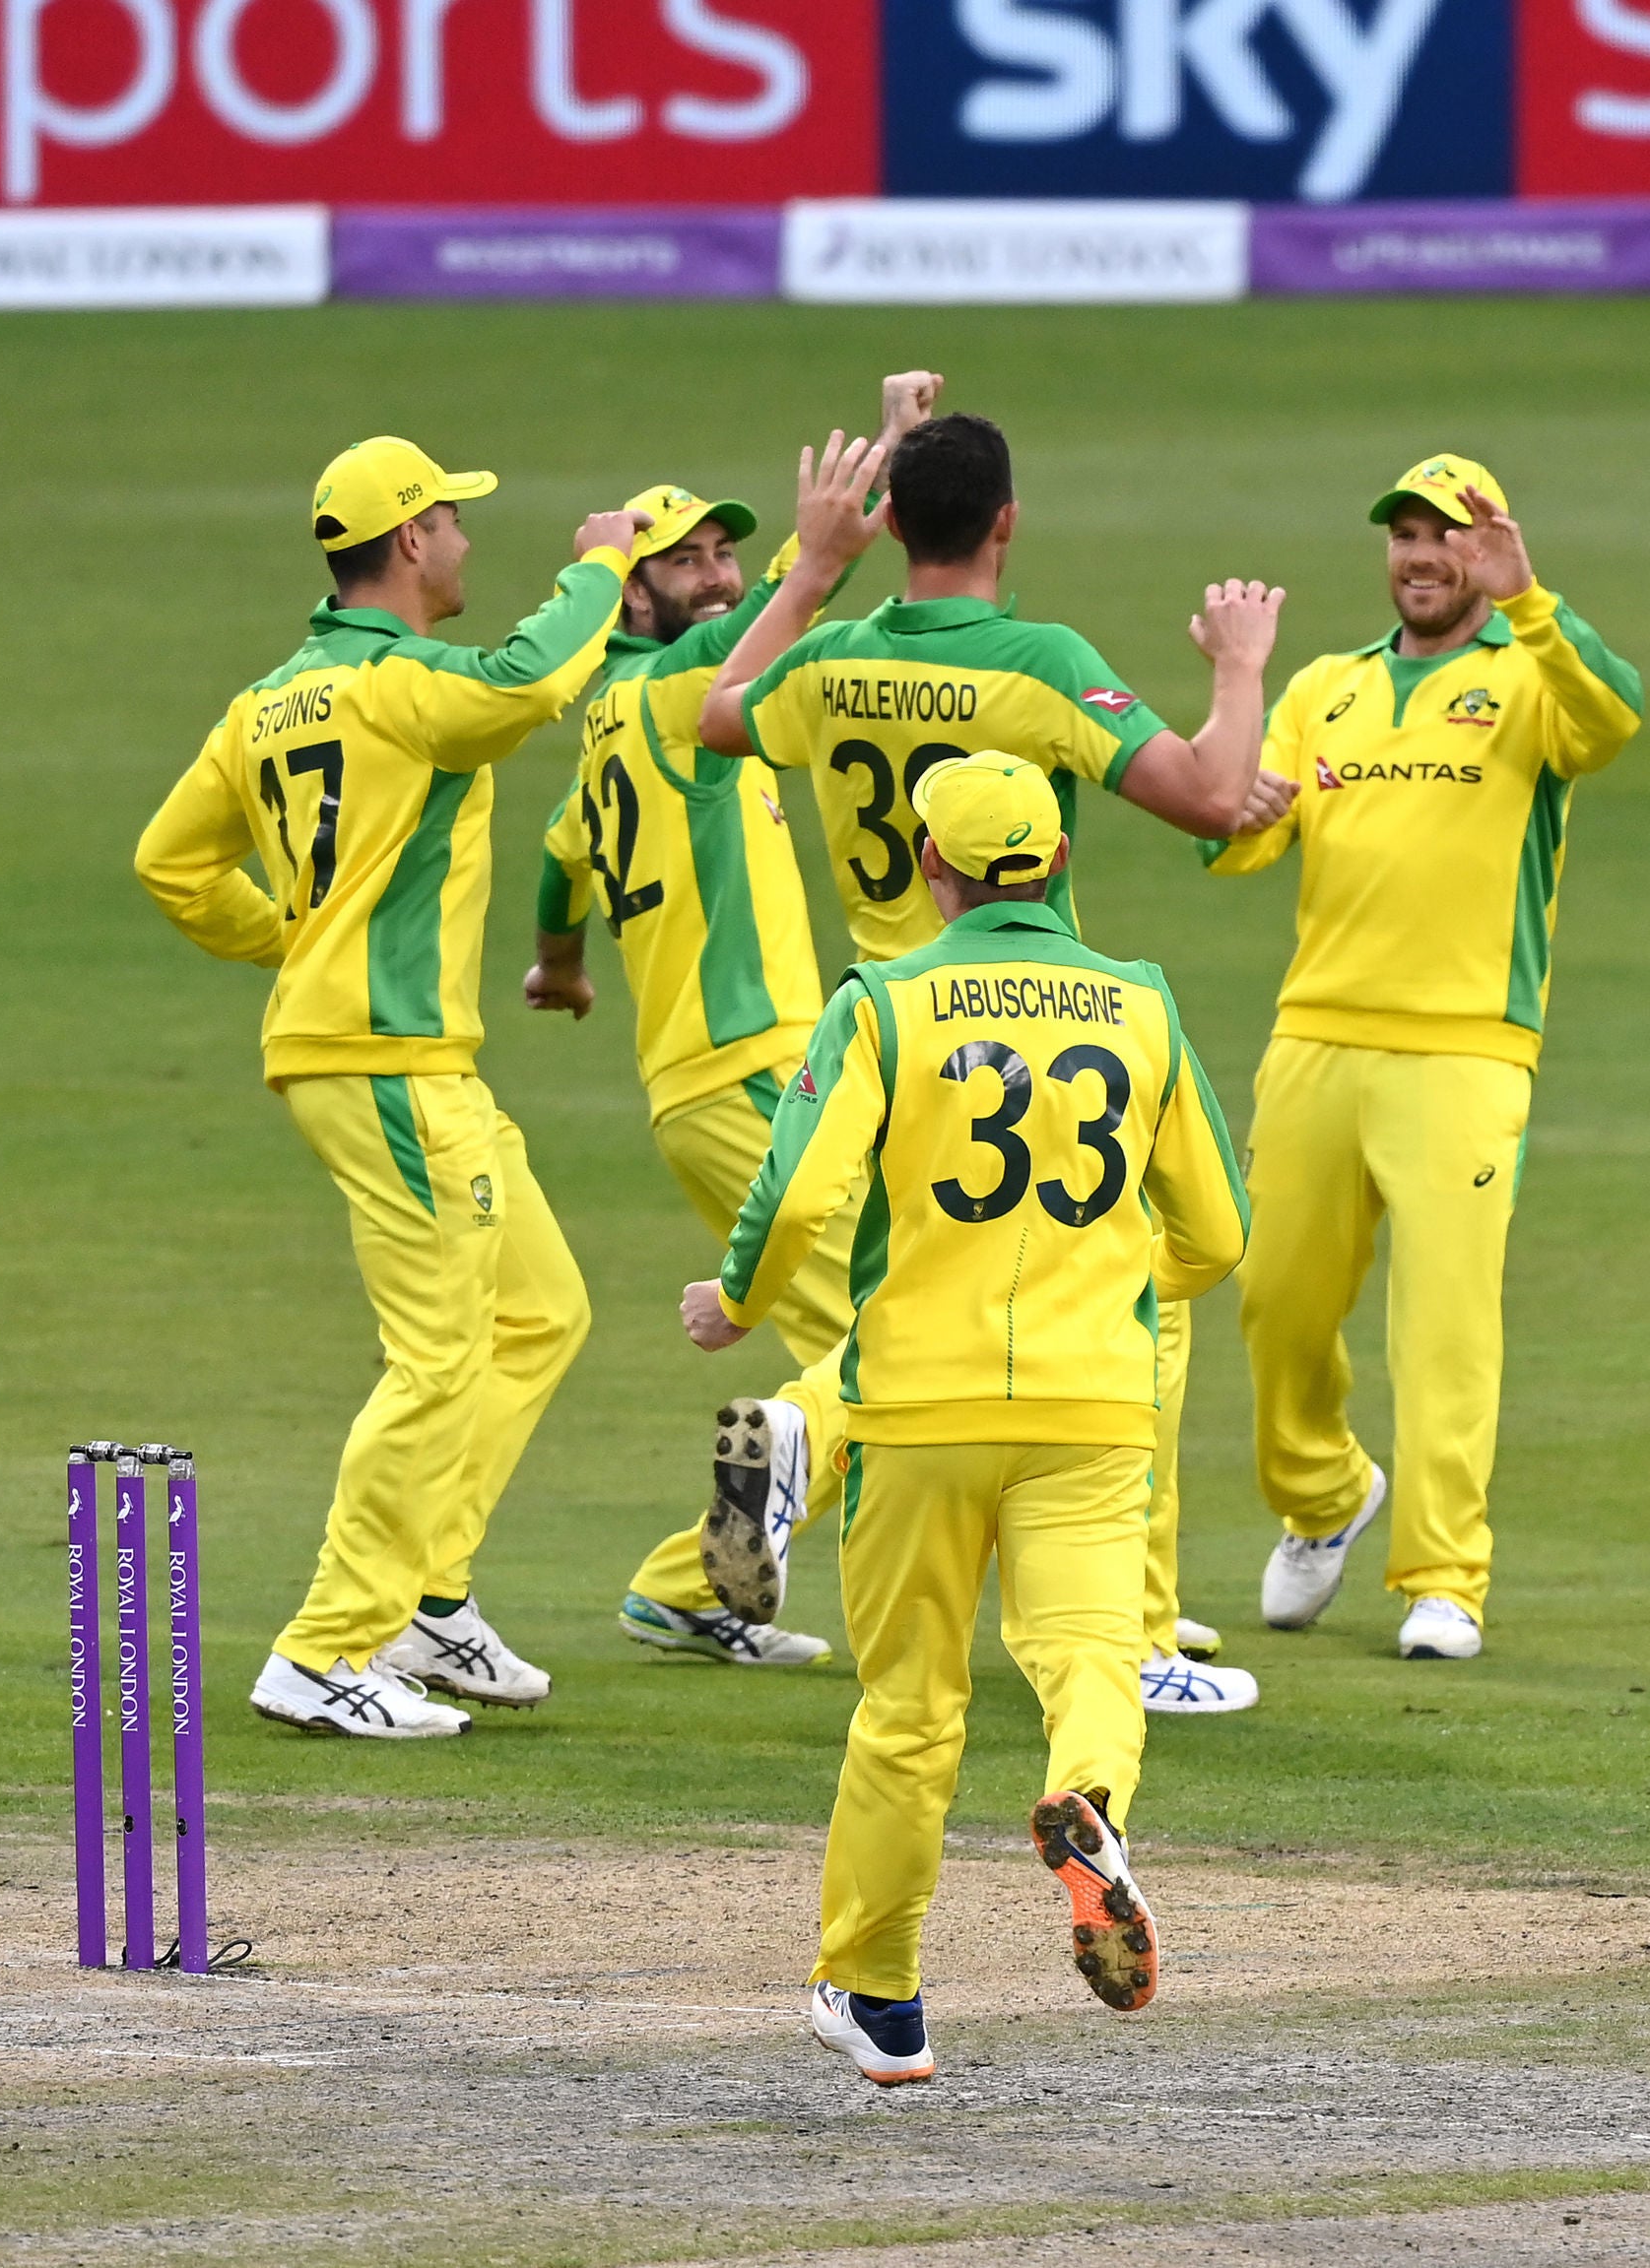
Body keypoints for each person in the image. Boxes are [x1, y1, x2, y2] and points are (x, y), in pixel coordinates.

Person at [693, 408, 1287, 1712]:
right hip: (1034, 1017)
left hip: (885, 1025)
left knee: (913, 1313)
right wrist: (1240, 670)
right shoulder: (1039, 663)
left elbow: (715, 713)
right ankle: (1128, 1635)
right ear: (1009, 522)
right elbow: (1206, 792)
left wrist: (807, 570)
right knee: (1143, 1298)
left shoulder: (834, 660)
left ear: (891, 521)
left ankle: (807, 1424)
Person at [681, 752, 1250, 2085]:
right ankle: (1090, 1804)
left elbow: (799, 1190)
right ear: (1056, 865)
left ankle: (880, 1995)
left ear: (931, 869)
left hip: (918, 1407)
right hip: (1096, 1403)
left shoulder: (886, 996)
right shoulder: (1142, 1001)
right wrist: (1107, 1280)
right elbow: (1219, 1232)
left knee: (910, 1708)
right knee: (1093, 1653)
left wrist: (737, 1299)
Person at [134, 438, 646, 1736]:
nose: (468, 541)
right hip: (388, 1065)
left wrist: (297, 943)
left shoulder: (270, 699)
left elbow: (170, 863)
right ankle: (323, 1646)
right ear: (409, 540)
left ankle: (424, 1596)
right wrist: (602, 561)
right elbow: (529, 684)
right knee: (436, 1358)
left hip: (390, 1059)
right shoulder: (396, 681)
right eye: (454, 522)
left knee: (540, 1309)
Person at [1202, 455, 1644, 1661]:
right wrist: (1236, 804)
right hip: (1316, 1035)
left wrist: (1534, 598)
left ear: (1485, 550)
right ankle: (1323, 1494)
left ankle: (1444, 1574)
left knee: (1444, 1324)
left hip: (1463, 1048)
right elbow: (1239, 834)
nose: (1418, 554)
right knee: (1273, 1300)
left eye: (1445, 535)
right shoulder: (1326, 686)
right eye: (1402, 534)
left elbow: (1614, 715)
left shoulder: (1525, 677)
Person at [526, 375, 937, 1671]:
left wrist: (560, 969)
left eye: (721, 550)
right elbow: (816, 604)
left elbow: (556, 862)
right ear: (629, 595)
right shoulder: (679, 680)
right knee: (899, 1329)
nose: (712, 575)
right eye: (679, 561)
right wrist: (864, 500)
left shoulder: (606, 726)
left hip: (707, 1082)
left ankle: (689, 1588)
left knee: (860, 1334)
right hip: (755, 1070)